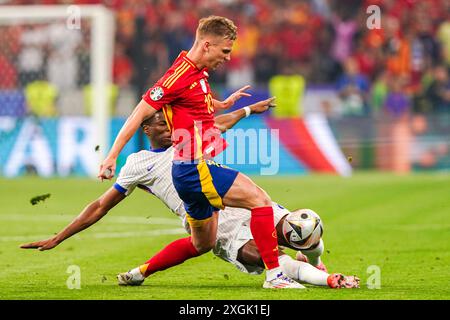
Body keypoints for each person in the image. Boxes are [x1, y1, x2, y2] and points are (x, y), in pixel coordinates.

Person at [21, 104, 359, 289]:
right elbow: (99, 206)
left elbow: (220, 122)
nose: (169, 130)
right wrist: (59, 236)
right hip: (213, 219)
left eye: (170, 123)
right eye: (161, 125)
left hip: (235, 198)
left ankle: (315, 264)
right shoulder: (138, 164)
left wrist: (247, 111)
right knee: (254, 255)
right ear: (146, 129)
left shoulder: (187, 137)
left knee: (305, 224)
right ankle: (327, 280)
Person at [97, 16, 300, 288]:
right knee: (259, 200)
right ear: (206, 45)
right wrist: (111, 156)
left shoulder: (197, 72)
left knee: (202, 243)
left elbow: (195, 101)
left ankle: (140, 272)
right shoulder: (177, 76)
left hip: (188, 171)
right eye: (225, 51)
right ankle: (275, 276)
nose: (228, 58)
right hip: (194, 168)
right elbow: (138, 113)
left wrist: (224, 104)